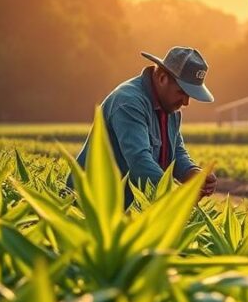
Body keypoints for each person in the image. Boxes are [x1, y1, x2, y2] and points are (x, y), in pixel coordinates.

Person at [73, 46, 218, 207]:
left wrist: (193, 174)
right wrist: (177, 196)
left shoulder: (172, 109)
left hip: (124, 208)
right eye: (182, 92)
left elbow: (176, 152)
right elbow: (139, 161)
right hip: (89, 206)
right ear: (162, 78)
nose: (186, 102)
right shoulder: (129, 102)